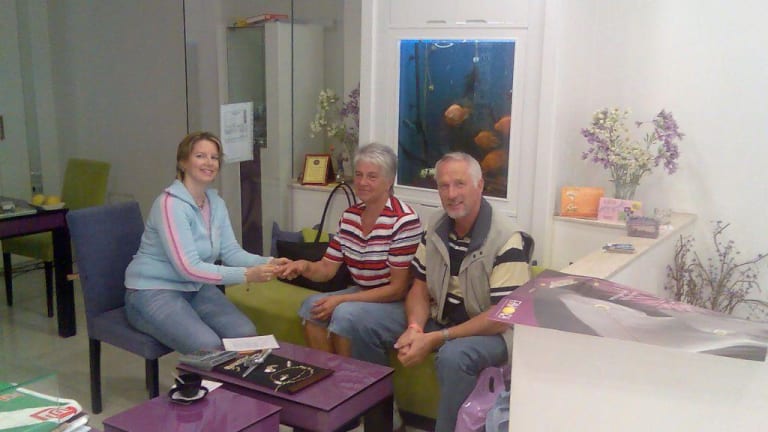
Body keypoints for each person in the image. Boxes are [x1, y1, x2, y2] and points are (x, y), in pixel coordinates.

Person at [353, 152, 533, 432]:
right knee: (356, 319)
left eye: (460, 184)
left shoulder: (507, 237)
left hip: (490, 332)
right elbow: (419, 286)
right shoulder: (436, 224)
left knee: (453, 356)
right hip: (439, 317)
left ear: (480, 185)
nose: (451, 194)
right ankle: (383, 422)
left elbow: (500, 317)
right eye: (443, 186)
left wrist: (437, 338)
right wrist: (415, 327)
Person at [124, 131, 288, 354]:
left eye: (214, 157)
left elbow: (230, 252)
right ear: (183, 162)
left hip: (195, 287)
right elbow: (188, 268)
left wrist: (269, 262)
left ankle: (229, 378)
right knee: (207, 346)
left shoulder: (215, 202)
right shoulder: (170, 205)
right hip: (152, 291)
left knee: (245, 333)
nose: (209, 162)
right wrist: (248, 275)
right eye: (200, 156)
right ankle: (202, 378)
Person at [277, 143, 423, 359]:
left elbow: (398, 289)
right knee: (311, 307)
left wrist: (342, 300)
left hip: (397, 302)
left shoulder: (403, 220)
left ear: (389, 181)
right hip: (363, 292)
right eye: (359, 174)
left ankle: (357, 379)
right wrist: (303, 266)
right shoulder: (350, 216)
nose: (362, 182)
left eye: (372, 177)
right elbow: (326, 269)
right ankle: (329, 375)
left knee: (345, 315)